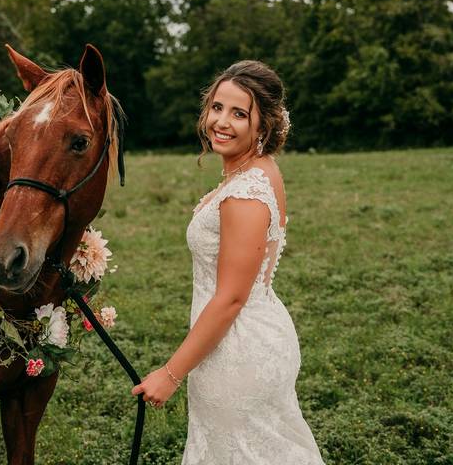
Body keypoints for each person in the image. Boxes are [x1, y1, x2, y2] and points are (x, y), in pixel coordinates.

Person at [131, 61, 325, 464]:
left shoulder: (246, 193)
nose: (221, 121)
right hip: (253, 333)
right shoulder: (258, 171)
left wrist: (170, 375)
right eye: (218, 107)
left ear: (264, 126)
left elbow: (231, 298)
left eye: (239, 114)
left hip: (238, 351)